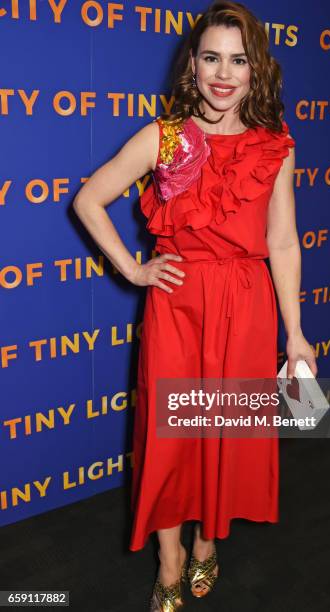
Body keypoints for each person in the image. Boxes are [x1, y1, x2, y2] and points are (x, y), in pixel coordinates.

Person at [73, 1, 317, 609]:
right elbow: (89, 198)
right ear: (193, 65)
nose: (223, 73)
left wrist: (295, 333)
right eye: (212, 57)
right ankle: (171, 556)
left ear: (256, 71)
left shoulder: (273, 148)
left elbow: (283, 242)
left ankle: (209, 544)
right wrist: (133, 268)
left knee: (225, 433)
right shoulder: (166, 136)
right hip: (178, 304)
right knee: (173, 437)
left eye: (239, 60)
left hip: (247, 303)